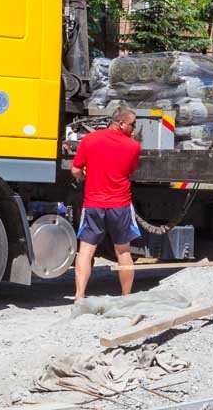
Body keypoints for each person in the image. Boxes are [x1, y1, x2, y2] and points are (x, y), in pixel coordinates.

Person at [71, 106, 142, 301]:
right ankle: (126, 297)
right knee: (123, 251)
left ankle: (79, 296)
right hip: (120, 205)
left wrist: (86, 176)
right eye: (133, 124)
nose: (134, 129)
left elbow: (75, 170)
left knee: (85, 251)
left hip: (93, 204)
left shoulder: (89, 140)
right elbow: (130, 171)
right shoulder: (133, 147)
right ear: (121, 124)